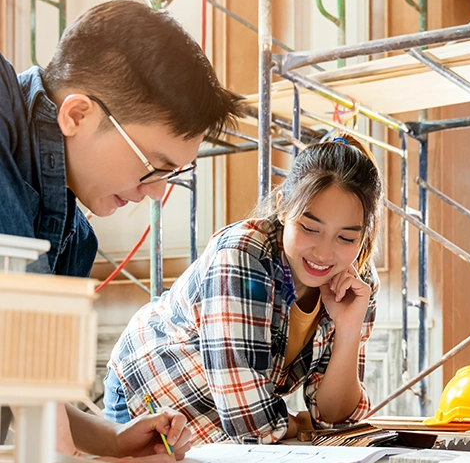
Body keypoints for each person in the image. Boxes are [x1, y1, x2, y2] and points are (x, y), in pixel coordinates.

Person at [0, 0, 245, 463]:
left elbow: (19, 381)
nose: (155, 191)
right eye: (155, 165)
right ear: (77, 116)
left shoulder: (73, 237)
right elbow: (12, 297)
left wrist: (108, 438)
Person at [104, 136, 383, 444]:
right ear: (282, 208)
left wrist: (348, 328)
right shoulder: (242, 254)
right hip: (148, 393)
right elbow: (252, 427)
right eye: (310, 228)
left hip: (225, 422)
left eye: (346, 238)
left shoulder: (357, 283)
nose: (324, 253)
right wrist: (298, 424)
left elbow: (334, 417)